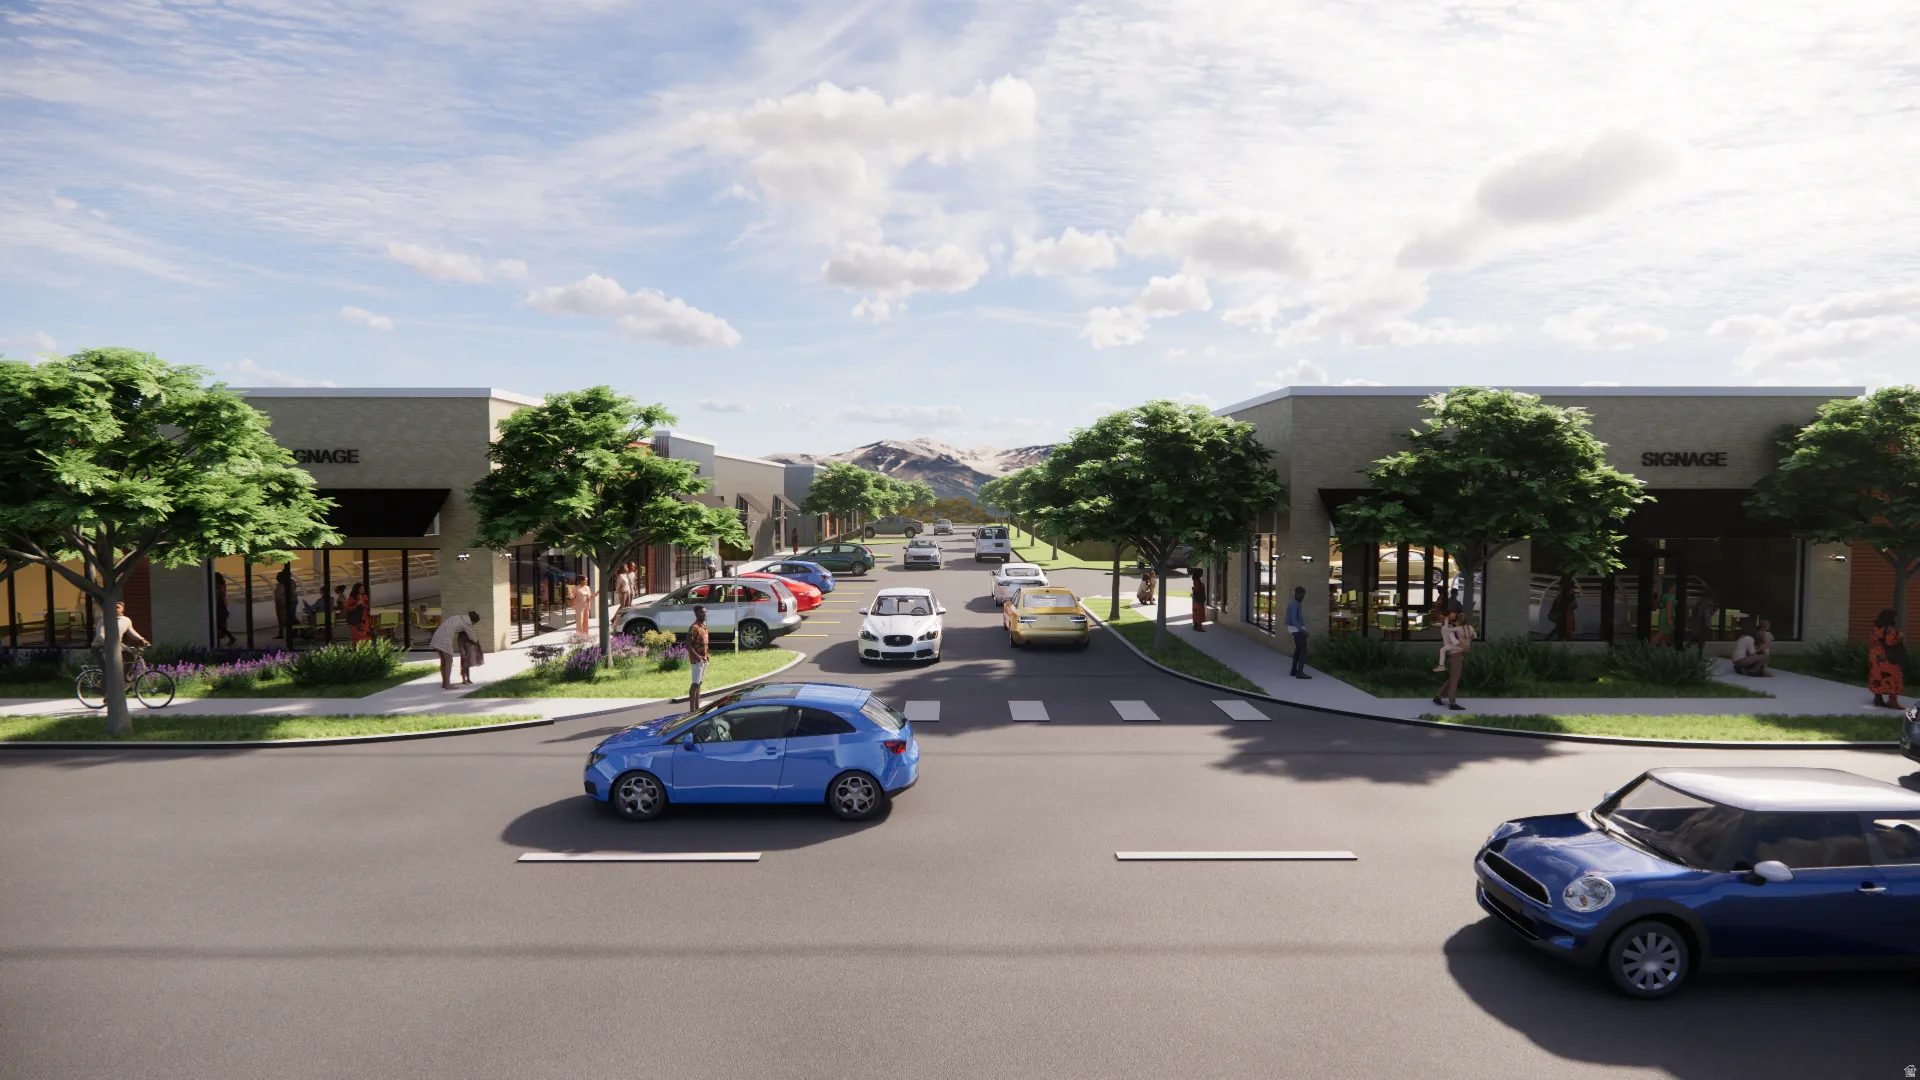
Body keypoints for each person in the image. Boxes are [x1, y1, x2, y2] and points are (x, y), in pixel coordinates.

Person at [92, 600, 150, 678]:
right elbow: (100, 635)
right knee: (108, 669)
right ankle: (106, 688)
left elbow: (131, 632)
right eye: (113, 607)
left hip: (117, 644)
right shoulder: (103, 620)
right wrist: (110, 644)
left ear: (123, 609)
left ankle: (124, 677)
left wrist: (141, 639)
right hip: (100, 647)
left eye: (118, 607)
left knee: (131, 655)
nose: (115, 609)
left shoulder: (126, 620)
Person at [1432, 604, 1473, 711]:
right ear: (1448, 615)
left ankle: (1438, 697)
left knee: (1452, 678)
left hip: (1453, 653)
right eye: (1453, 613)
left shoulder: (1449, 627)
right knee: (1455, 679)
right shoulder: (1449, 628)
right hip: (1455, 654)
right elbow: (1454, 641)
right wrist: (1465, 647)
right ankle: (1452, 703)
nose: (1455, 614)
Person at [430, 609, 483, 689]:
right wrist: (477, 642)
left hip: (436, 636)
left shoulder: (457, 616)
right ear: (473, 621)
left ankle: (445, 683)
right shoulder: (467, 623)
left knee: (443, 661)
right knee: (448, 662)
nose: (472, 625)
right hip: (444, 639)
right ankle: (447, 685)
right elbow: (472, 636)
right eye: (474, 623)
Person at [1869, 609, 1906, 709]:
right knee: (1894, 676)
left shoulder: (1876, 628)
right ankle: (1892, 700)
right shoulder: (1889, 629)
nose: (1896, 619)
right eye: (1895, 617)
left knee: (1878, 676)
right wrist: (1899, 635)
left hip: (1876, 655)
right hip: (1886, 656)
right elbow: (1890, 642)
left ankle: (1878, 698)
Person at [687, 604, 711, 710]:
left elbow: (705, 643)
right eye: (702, 612)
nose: (704, 614)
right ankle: (692, 710)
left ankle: (697, 708)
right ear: (696, 614)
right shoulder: (694, 627)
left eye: (705, 612)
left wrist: (707, 655)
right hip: (697, 661)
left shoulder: (704, 627)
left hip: (704, 659)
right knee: (695, 684)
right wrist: (697, 658)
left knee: (699, 683)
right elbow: (688, 645)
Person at [1285, 585, 1311, 679]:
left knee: (1298, 650)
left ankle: (1293, 670)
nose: (1302, 598)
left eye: (1303, 596)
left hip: (1295, 629)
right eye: (1301, 596)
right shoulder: (1294, 604)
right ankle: (1300, 672)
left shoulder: (1295, 603)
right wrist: (1302, 630)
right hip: (1297, 629)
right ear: (1297, 594)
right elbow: (1293, 619)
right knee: (1303, 650)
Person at [1688, 590, 1717, 659]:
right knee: (1701, 641)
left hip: (1698, 623)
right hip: (1705, 624)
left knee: (1698, 639)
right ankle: (1699, 656)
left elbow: (1696, 612)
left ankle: (1687, 648)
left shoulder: (1700, 601)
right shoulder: (1709, 603)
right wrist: (1714, 611)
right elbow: (1706, 615)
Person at [272, 564, 297, 639]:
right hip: (284, 602)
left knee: (290, 617)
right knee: (284, 618)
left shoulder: (287, 583)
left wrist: (282, 598)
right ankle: (286, 633)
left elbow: (290, 593)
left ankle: (294, 631)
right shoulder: (283, 584)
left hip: (287, 602)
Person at [1651, 579, 1676, 647]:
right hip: (1666, 616)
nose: (1675, 588)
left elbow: (1659, 605)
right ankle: (1649, 646)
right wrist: (1669, 620)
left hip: (1662, 614)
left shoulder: (1663, 595)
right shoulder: (1670, 597)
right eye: (1674, 587)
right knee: (1662, 633)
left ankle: (1662, 649)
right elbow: (1669, 607)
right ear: (1670, 588)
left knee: (1664, 635)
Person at [214, 572, 237, 647]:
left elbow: (216, 598)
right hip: (222, 606)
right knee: (218, 625)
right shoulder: (223, 586)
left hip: (218, 607)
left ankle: (219, 642)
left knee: (217, 625)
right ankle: (229, 638)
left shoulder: (216, 587)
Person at [1190, 568, 1209, 632]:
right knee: (1199, 613)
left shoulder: (1196, 579)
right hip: (1198, 599)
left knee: (1196, 612)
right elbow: (1197, 589)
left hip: (1197, 599)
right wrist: (1202, 585)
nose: (1202, 574)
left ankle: (1196, 626)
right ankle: (1199, 627)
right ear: (1199, 573)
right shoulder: (1197, 581)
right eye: (1201, 572)